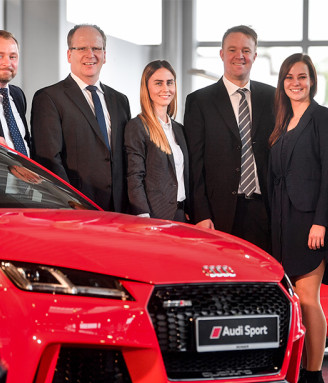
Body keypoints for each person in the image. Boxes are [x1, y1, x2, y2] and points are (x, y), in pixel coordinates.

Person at [267, 54, 328, 383]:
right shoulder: (280, 122)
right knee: (294, 302)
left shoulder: (324, 118)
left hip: (311, 222)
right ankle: (296, 379)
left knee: (309, 299)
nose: (295, 83)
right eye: (289, 77)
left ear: (312, 80)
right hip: (283, 222)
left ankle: (315, 381)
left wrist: (321, 221)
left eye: (302, 76)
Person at [184, 25, 275, 252]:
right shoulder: (199, 101)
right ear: (222, 54)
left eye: (246, 50)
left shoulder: (273, 97)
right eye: (232, 49)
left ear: (255, 55)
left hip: (265, 211)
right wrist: (201, 214)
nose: (239, 56)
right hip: (219, 214)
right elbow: (194, 165)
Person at [31, 24, 131, 212]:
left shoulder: (120, 100)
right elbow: (49, 160)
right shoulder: (49, 98)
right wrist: (70, 203)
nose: (90, 54)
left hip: (119, 209)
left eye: (96, 48)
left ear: (105, 55)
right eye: (82, 48)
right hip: (75, 209)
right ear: (69, 55)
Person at [125, 61, 189, 221]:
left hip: (181, 215)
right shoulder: (137, 126)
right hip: (154, 216)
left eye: (170, 82)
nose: (166, 89)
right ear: (146, 88)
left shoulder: (179, 129)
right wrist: (143, 216)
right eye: (158, 83)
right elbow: (134, 176)